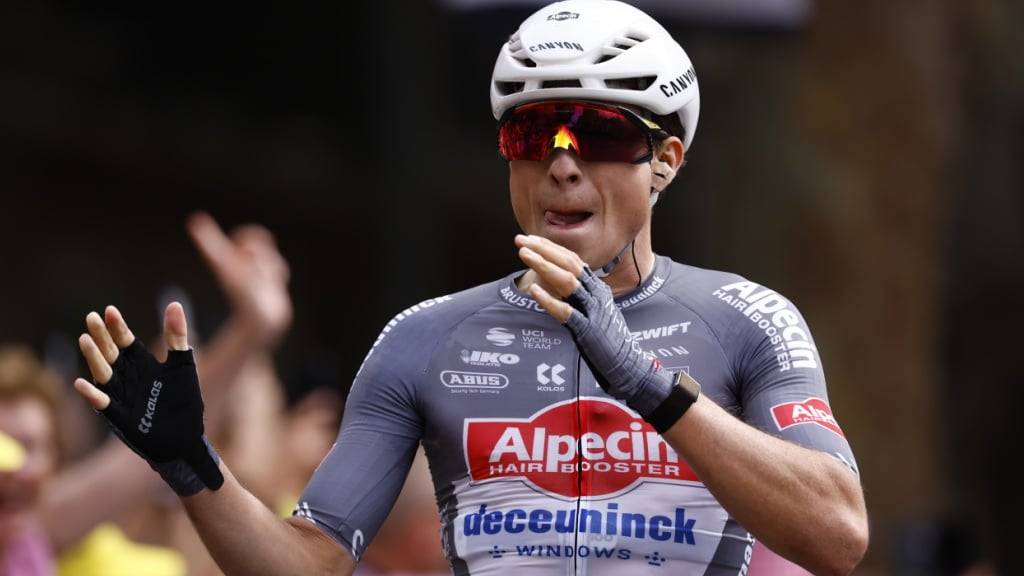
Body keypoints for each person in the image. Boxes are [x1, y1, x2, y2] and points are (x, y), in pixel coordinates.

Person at [71, 1, 868, 574]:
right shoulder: (423, 338)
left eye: (599, 132)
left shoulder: (746, 319)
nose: (562, 164)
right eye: (533, 132)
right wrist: (192, 465)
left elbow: (838, 535)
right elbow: (307, 563)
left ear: (665, 161)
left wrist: (644, 381)